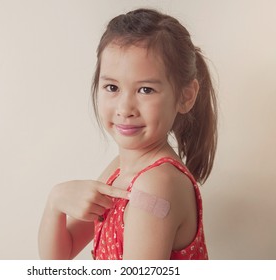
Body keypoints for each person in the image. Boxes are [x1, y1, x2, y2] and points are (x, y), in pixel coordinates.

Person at [38, 8, 217, 260]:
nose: (125, 109)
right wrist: (55, 202)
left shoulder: (156, 185)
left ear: (185, 96)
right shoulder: (119, 169)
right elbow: (58, 260)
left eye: (145, 90)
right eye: (112, 87)